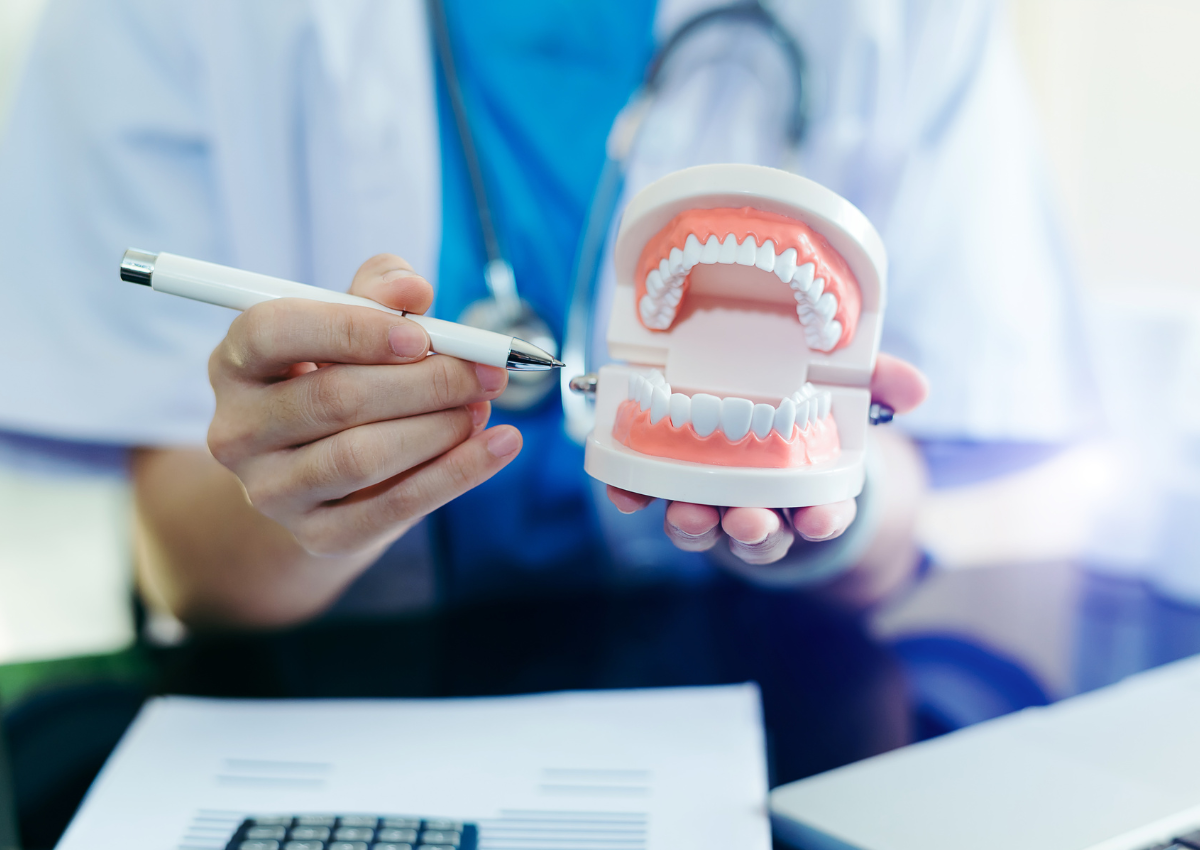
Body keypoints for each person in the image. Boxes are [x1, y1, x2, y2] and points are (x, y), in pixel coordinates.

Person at [0, 0, 1088, 693]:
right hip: (337, 696)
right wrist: (301, 484)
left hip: (753, 693)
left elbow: (900, 486)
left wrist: (832, 510)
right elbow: (193, 566)